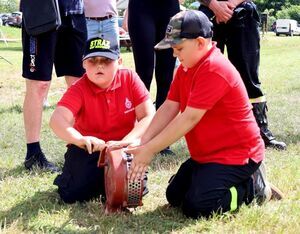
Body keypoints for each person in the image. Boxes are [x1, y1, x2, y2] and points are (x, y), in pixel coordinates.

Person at [126, 10, 283, 219]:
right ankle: (219, 182)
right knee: (174, 196)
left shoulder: (214, 68)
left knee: (199, 207)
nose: (174, 54)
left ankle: (253, 187)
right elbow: (169, 107)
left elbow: (188, 118)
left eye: (179, 48)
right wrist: (143, 142)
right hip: (207, 156)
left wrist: (150, 150)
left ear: (200, 43)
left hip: (236, 157)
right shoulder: (185, 68)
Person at [50, 37, 155, 203]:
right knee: (72, 195)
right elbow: (57, 120)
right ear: (83, 64)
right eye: (92, 60)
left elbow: (149, 116)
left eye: (106, 60)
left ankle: (106, 181)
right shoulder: (79, 87)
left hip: (124, 149)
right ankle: (95, 180)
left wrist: (125, 144)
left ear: (119, 62)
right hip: (90, 149)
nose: (99, 65)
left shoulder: (129, 78)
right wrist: (81, 139)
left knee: (133, 192)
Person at [197, 0, 286, 150]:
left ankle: (260, 132)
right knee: (206, 77)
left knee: (249, 77)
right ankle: (208, 136)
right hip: (208, 13)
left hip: (243, 11)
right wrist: (214, 5)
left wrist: (229, 5)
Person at [21, 0, 87, 172]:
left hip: (74, 11)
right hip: (41, 9)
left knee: (78, 84)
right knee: (39, 84)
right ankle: (33, 153)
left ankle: (78, 148)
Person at [124, 0, 180, 155]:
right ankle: (138, 133)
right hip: (141, 8)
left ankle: (162, 139)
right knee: (144, 73)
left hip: (169, 9)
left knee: (166, 76)